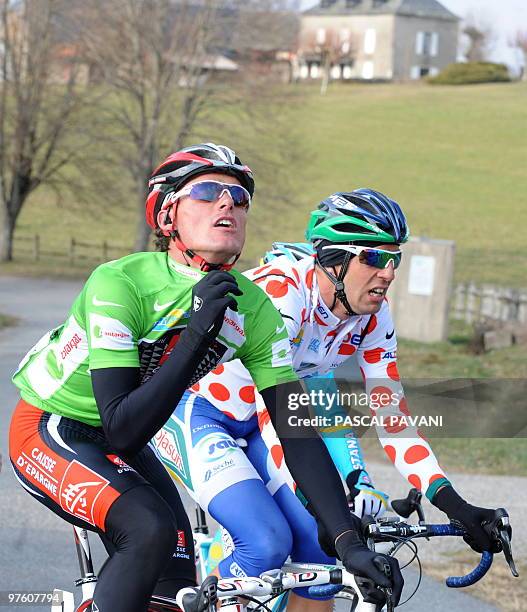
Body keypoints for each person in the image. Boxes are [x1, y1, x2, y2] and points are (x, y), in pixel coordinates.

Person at [9, 146, 403, 612]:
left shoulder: (253, 308)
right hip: (53, 427)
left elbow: (296, 433)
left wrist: (347, 542)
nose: (227, 204)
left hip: (127, 443)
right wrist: (197, 334)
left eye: (239, 197)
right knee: (148, 529)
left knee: (177, 589)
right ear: (167, 215)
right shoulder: (120, 283)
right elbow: (120, 425)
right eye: (208, 191)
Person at [154, 189, 505, 611]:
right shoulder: (282, 298)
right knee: (265, 542)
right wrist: (340, 525)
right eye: (374, 258)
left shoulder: (373, 315)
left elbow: (392, 417)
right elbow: (282, 424)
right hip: (198, 411)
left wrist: (453, 503)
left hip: (263, 423)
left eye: (395, 259)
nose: (389, 272)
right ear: (335, 260)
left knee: (321, 552)